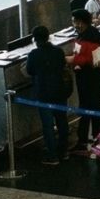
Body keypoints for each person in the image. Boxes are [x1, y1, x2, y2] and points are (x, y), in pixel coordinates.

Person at [23, 27, 71, 165]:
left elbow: (30, 71)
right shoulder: (58, 51)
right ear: (48, 37)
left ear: (35, 40)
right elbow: (62, 65)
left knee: (48, 125)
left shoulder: (34, 54)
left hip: (44, 93)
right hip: (60, 90)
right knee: (62, 121)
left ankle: (52, 155)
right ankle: (64, 152)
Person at [68, 9, 100, 151]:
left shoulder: (86, 39)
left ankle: (83, 140)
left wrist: (63, 58)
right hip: (97, 75)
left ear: (80, 22)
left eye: (74, 21)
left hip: (86, 78)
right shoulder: (95, 34)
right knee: (96, 107)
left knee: (85, 107)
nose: (73, 24)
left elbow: (80, 59)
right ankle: (99, 138)